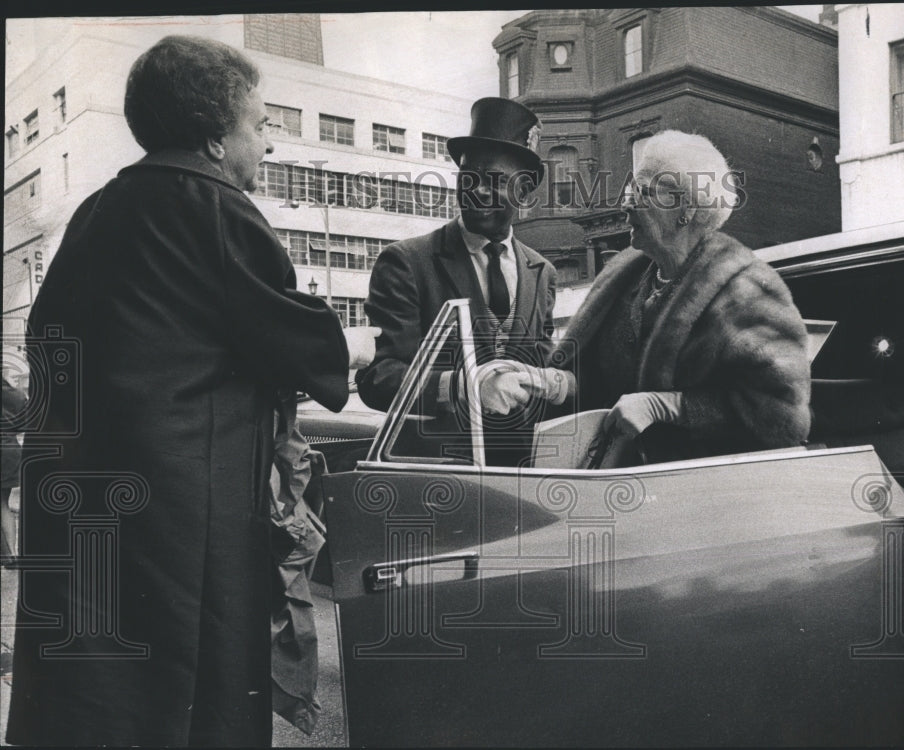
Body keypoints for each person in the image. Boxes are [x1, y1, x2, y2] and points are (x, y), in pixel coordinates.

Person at [7, 35, 354, 747]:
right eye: (259, 126)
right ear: (215, 137)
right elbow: (306, 347)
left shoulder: (99, 211)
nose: (269, 145)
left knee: (98, 704)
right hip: (182, 529)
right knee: (191, 706)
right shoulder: (217, 209)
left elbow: (52, 347)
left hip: (87, 520)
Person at [542, 130, 811, 463]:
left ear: (685, 209)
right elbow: (596, 381)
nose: (625, 204)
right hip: (623, 484)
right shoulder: (625, 280)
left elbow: (780, 416)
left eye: (641, 191)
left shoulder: (747, 293)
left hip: (705, 492)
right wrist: (551, 383)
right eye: (630, 188)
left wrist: (669, 407)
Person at [356, 97, 565, 465]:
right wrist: (467, 388)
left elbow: (540, 363)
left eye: (496, 180)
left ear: (525, 192)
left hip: (520, 472)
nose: (479, 190)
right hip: (434, 473)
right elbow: (378, 377)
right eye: (469, 178)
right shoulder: (406, 262)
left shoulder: (542, 272)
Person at [1, 375, 28, 566]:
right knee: (3, 504)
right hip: (9, 450)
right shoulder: (16, 395)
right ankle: (10, 554)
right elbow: (24, 424)